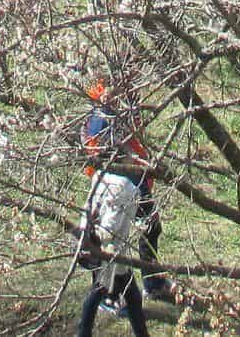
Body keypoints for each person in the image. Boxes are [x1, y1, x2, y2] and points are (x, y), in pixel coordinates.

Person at [80, 75, 176, 308]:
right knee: (108, 239)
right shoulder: (101, 119)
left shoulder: (127, 107)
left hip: (137, 180)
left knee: (151, 227)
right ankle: (106, 294)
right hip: (115, 188)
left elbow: (135, 141)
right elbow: (98, 156)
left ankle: (152, 284)